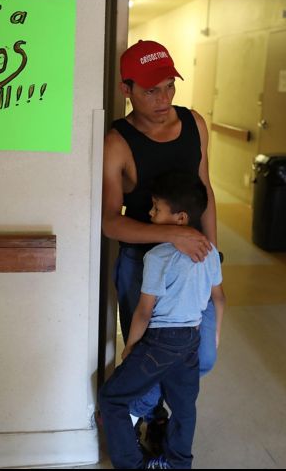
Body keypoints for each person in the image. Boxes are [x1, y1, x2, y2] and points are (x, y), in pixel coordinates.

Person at [101, 39, 223, 448]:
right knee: (146, 355)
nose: (163, 98)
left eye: (169, 86)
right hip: (143, 264)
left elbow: (205, 189)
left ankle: (148, 407)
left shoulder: (195, 124)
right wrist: (172, 233)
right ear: (127, 89)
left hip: (196, 262)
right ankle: (153, 420)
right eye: (151, 89)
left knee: (202, 356)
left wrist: (212, 257)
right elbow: (109, 223)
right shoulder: (117, 143)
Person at [99, 173, 226, 469]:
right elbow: (218, 298)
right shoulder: (209, 253)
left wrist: (130, 347)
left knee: (112, 398)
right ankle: (177, 464)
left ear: (180, 218)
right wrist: (214, 334)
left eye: (156, 209)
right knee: (184, 408)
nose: (150, 213)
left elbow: (144, 311)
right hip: (191, 340)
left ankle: (132, 464)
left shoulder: (158, 256)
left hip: (160, 342)